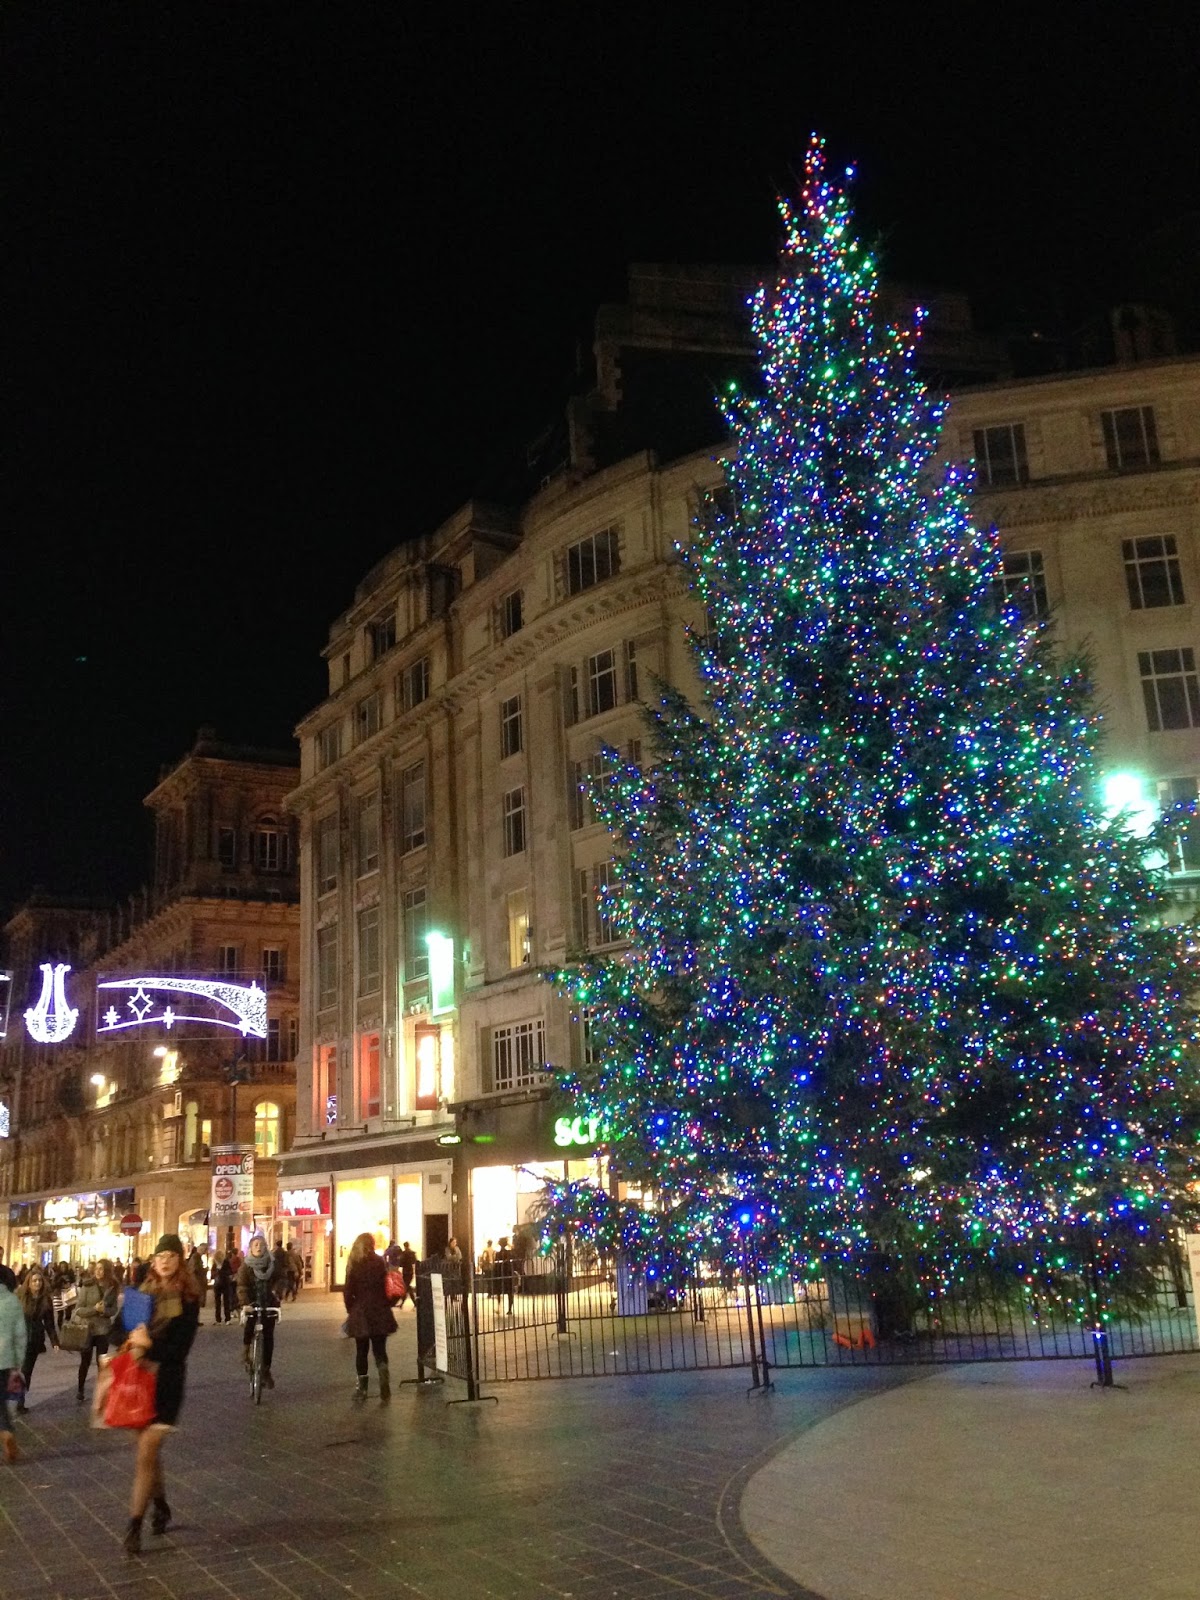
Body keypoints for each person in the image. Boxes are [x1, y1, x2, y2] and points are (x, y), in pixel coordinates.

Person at [120, 1234, 200, 1555]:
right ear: (153, 1261)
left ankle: (133, 1526)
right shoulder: (142, 1294)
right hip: (139, 1381)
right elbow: (118, 1327)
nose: (165, 1260)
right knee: (149, 1454)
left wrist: (149, 1344)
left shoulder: (189, 1297)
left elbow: (180, 1349)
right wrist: (130, 1335)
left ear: (180, 1260)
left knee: (145, 1454)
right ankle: (162, 1505)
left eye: (171, 1255)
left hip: (167, 1382)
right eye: (160, 1255)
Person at [343, 1232, 399, 1402]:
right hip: (380, 1311)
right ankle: (383, 1376)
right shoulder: (379, 1262)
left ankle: (362, 1389)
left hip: (361, 1312)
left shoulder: (354, 1262)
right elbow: (387, 1285)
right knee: (380, 1349)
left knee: (361, 1351)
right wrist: (387, 1304)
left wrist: (351, 1309)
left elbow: (348, 1291)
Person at [237, 1233, 286, 1387]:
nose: (258, 1247)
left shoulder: (273, 1264)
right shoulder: (245, 1266)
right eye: (255, 1245)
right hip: (252, 1302)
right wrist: (245, 1303)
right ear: (250, 1248)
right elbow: (242, 1286)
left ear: (266, 1247)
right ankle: (246, 1355)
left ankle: (265, 1369)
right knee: (249, 1328)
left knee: (268, 1336)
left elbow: (281, 1279)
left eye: (261, 1245)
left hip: (269, 1303)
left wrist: (277, 1292)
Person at [74, 1259, 118, 1405]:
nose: (99, 1272)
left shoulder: (112, 1287)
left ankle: (101, 1392)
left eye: (103, 1269)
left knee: (102, 1363)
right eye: (98, 1269)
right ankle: (80, 1390)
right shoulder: (87, 1286)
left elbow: (114, 1309)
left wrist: (105, 1311)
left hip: (103, 1330)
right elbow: (79, 1309)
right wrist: (94, 1309)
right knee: (85, 1361)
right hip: (87, 1329)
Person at [15, 1265, 58, 1412]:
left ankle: (20, 1401)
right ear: (29, 1282)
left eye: (39, 1281)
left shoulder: (46, 1300)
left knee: (27, 1371)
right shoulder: (20, 1297)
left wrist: (54, 1341)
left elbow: (50, 1323)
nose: (37, 1283)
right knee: (14, 1370)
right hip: (19, 1339)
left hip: (34, 1340)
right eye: (34, 1281)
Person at [0, 1265, 27, 1463]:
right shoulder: (13, 1302)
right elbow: (20, 1336)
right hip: (5, 1360)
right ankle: (7, 1431)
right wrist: (18, 1362)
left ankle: (6, 1431)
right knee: (1, 1401)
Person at [495, 1237, 517, 1316]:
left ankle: (499, 1306)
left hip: (501, 1274)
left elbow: (496, 1264)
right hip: (508, 1274)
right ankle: (510, 1309)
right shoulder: (509, 1253)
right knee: (509, 1292)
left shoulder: (498, 1254)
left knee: (499, 1292)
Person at [186, 1245, 208, 1324]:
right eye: (205, 1250)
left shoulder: (197, 1257)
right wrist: (204, 1270)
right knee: (196, 1302)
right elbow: (194, 1269)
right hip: (197, 1282)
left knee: (197, 1303)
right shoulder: (196, 1257)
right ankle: (194, 1320)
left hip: (197, 1282)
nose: (205, 1252)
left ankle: (195, 1320)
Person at [396, 1241, 418, 1310]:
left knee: (406, 1287)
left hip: (405, 1272)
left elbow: (401, 1264)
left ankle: (406, 1302)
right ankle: (413, 1303)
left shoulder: (404, 1254)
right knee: (407, 1287)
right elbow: (415, 1261)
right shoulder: (412, 1253)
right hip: (410, 1271)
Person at [211, 1252, 232, 1323]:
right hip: (218, 1284)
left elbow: (229, 1272)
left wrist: (220, 1272)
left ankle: (227, 1318)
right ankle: (218, 1318)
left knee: (226, 1302)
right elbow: (212, 1274)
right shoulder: (215, 1263)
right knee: (218, 1302)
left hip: (225, 1283)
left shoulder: (226, 1262)